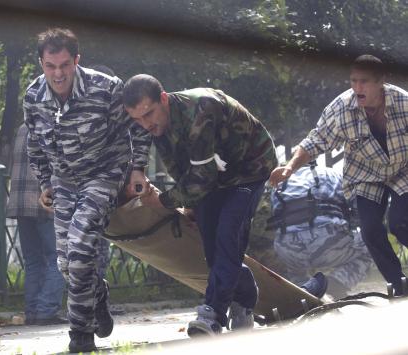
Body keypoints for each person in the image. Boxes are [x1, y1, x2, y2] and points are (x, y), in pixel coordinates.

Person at [23, 28, 150, 353]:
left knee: (80, 251)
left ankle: (80, 336)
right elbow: (35, 144)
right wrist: (45, 182)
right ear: (41, 63)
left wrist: (138, 168)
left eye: (65, 64)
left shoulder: (106, 88)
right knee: (67, 264)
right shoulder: (34, 97)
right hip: (65, 181)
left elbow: (137, 125)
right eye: (50, 66)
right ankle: (98, 297)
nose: (58, 73)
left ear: (76, 60)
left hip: (104, 174)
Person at [122, 74, 278, 335]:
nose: (145, 124)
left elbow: (201, 180)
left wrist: (163, 201)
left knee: (228, 235)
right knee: (211, 248)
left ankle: (212, 314)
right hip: (214, 177)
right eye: (137, 119)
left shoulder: (201, 109)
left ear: (163, 99)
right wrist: (189, 203)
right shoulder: (157, 125)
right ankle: (245, 293)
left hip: (249, 170)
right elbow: (181, 168)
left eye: (148, 114)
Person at [269, 54, 408, 297]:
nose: (357, 88)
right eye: (353, 81)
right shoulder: (341, 108)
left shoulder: (403, 103)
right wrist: (290, 168)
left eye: (364, 82)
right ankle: (399, 284)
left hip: (403, 169)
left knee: (399, 223)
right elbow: (315, 141)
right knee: (370, 229)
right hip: (366, 176)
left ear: (380, 82)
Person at [251, 164, 372, 299]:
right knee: (371, 247)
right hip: (328, 241)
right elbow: (357, 213)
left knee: (295, 271)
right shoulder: (332, 174)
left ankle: (303, 292)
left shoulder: (283, 180)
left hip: (288, 248)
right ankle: (335, 285)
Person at [6, 124, 66, 325]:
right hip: (44, 202)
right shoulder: (53, 125)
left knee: (33, 260)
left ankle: (32, 311)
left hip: (21, 203)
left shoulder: (22, 128)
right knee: (57, 257)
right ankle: (46, 310)